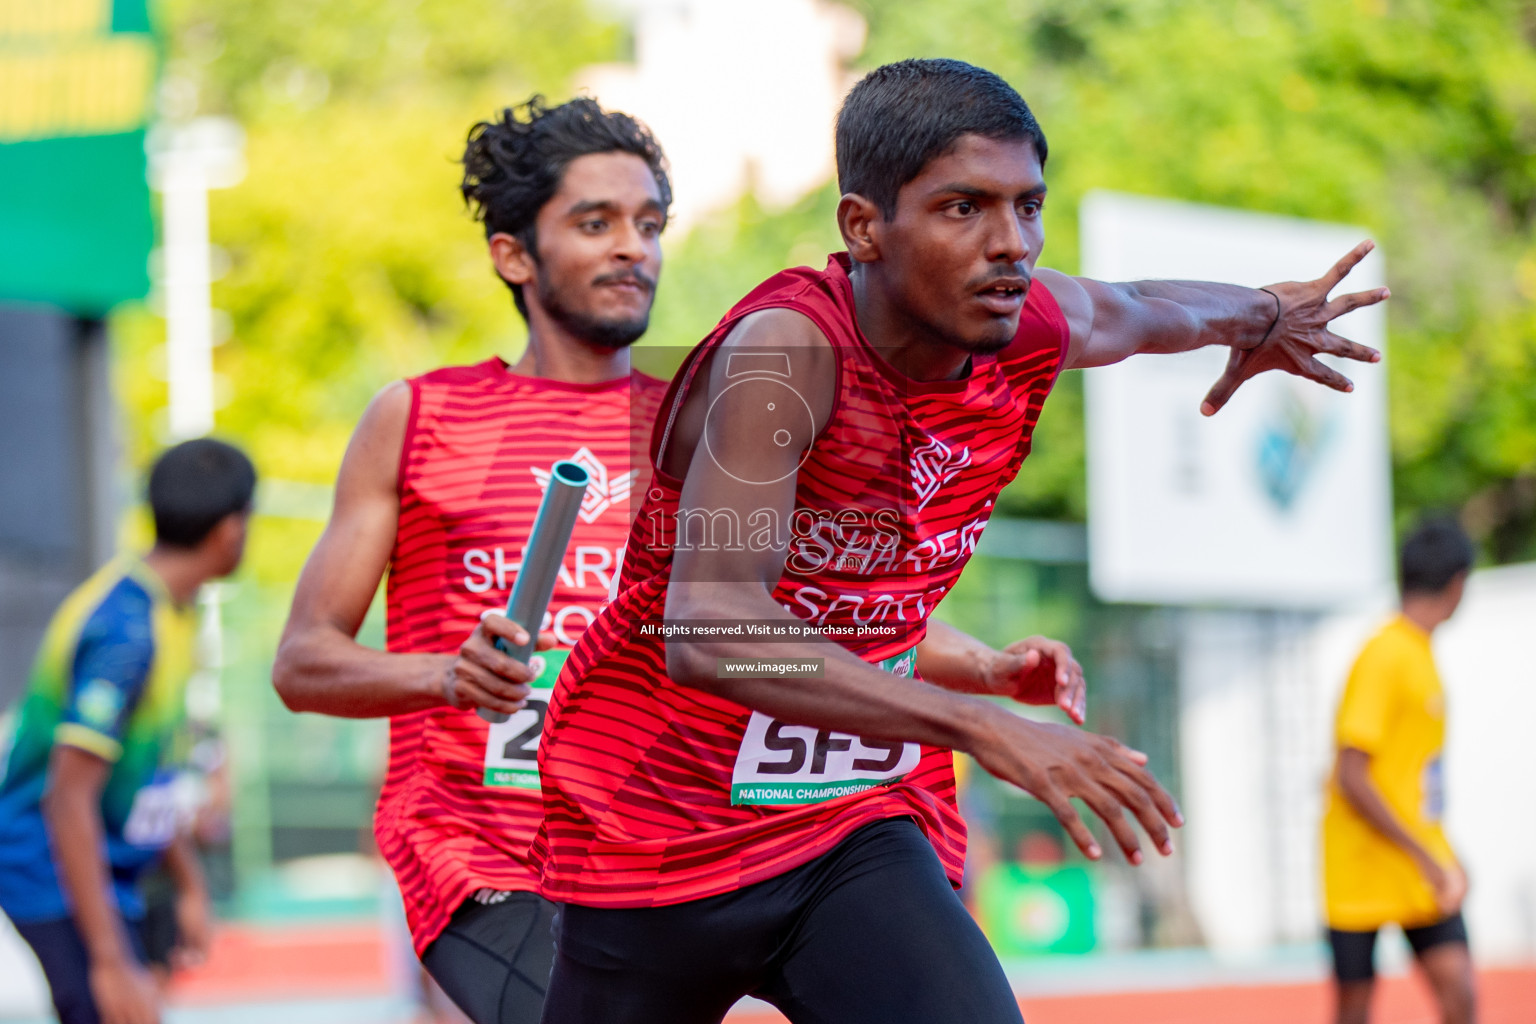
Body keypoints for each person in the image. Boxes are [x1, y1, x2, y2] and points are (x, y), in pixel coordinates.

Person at [532, 58, 1387, 1024]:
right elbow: (713, 623)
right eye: (963, 208)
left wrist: (1266, 315)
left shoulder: (1024, 326)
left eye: (1029, 207)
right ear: (864, 227)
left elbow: (1145, 308)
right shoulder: (781, 357)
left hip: (842, 825)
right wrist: (983, 727)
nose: (1010, 245)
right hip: (655, 825)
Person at [271, 95, 675, 1024]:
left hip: (653, 848)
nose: (633, 248)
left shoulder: (697, 430)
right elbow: (302, 661)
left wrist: (979, 672)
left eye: (649, 224)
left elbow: (791, 622)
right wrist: (449, 677)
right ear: (514, 254)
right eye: (596, 222)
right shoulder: (419, 418)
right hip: (476, 850)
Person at [0, 438, 256, 1024]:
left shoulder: (170, 609)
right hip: (47, 867)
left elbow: (143, 772)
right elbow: (69, 795)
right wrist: (110, 959)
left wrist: (188, 882)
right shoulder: (126, 632)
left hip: (108, 866)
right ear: (230, 532)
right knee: (117, 1006)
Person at [1322, 518, 1477, 1024]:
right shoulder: (1384, 653)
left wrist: (1441, 850)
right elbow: (1352, 775)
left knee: (1460, 992)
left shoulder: (1418, 651)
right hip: (1361, 862)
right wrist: (1428, 857)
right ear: (1457, 584)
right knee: (1355, 1009)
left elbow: (1413, 775)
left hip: (1416, 861)